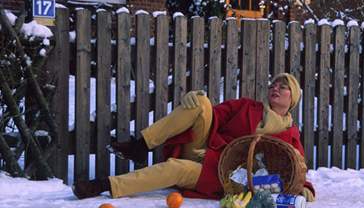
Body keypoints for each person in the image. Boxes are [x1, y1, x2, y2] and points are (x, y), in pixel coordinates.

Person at [73, 73, 315, 201]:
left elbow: (299, 168)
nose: (275, 88)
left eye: (283, 87)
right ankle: (141, 145)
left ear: (292, 98)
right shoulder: (247, 106)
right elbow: (211, 116)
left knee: (174, 168)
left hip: (221, 175)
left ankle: (105, 185)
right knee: (200, 101)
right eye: (274, 84)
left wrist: (305, 190)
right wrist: (195, 99)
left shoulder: (290, 135)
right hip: (205, 148)